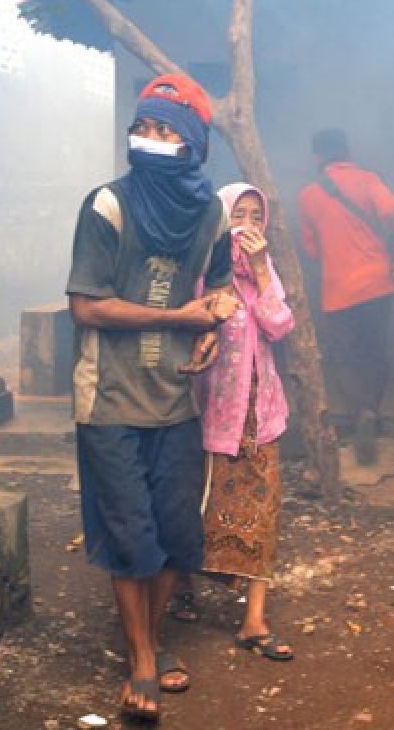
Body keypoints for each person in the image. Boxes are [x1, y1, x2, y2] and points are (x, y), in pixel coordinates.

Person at [65, 73, 236, 722]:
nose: (151, 139)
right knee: (131, 535)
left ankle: (152, 636)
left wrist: (213, 323)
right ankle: (141, 657)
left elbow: (219, 288)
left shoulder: (212, 213)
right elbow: (85, 306)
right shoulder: (107, 206)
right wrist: (179, 319)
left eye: (166, 131)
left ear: (193, 143)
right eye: (144, 127)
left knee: (175, 534)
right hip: (108, 401)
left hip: (175, 402)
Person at [199, 182, 295, 662]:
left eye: (257, 216)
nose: (249, 224)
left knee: (263, 509)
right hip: (211, 414)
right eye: (240, 214)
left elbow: (279, 325)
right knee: (197, 508)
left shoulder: (264, 270)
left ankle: (254, 620)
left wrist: (259, 270)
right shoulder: (205, 270)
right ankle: (179, 593)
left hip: (261, 413)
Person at [297, 128, 394, 465]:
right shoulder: (368, 180)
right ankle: (372, 408)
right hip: (377, 284)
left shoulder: (308, 196)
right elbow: (393, 214)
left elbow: (312, 250)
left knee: (344, 355)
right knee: (374, 349)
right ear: (347, 151)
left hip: (338, 291)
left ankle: (358, 411)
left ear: (317, 156)